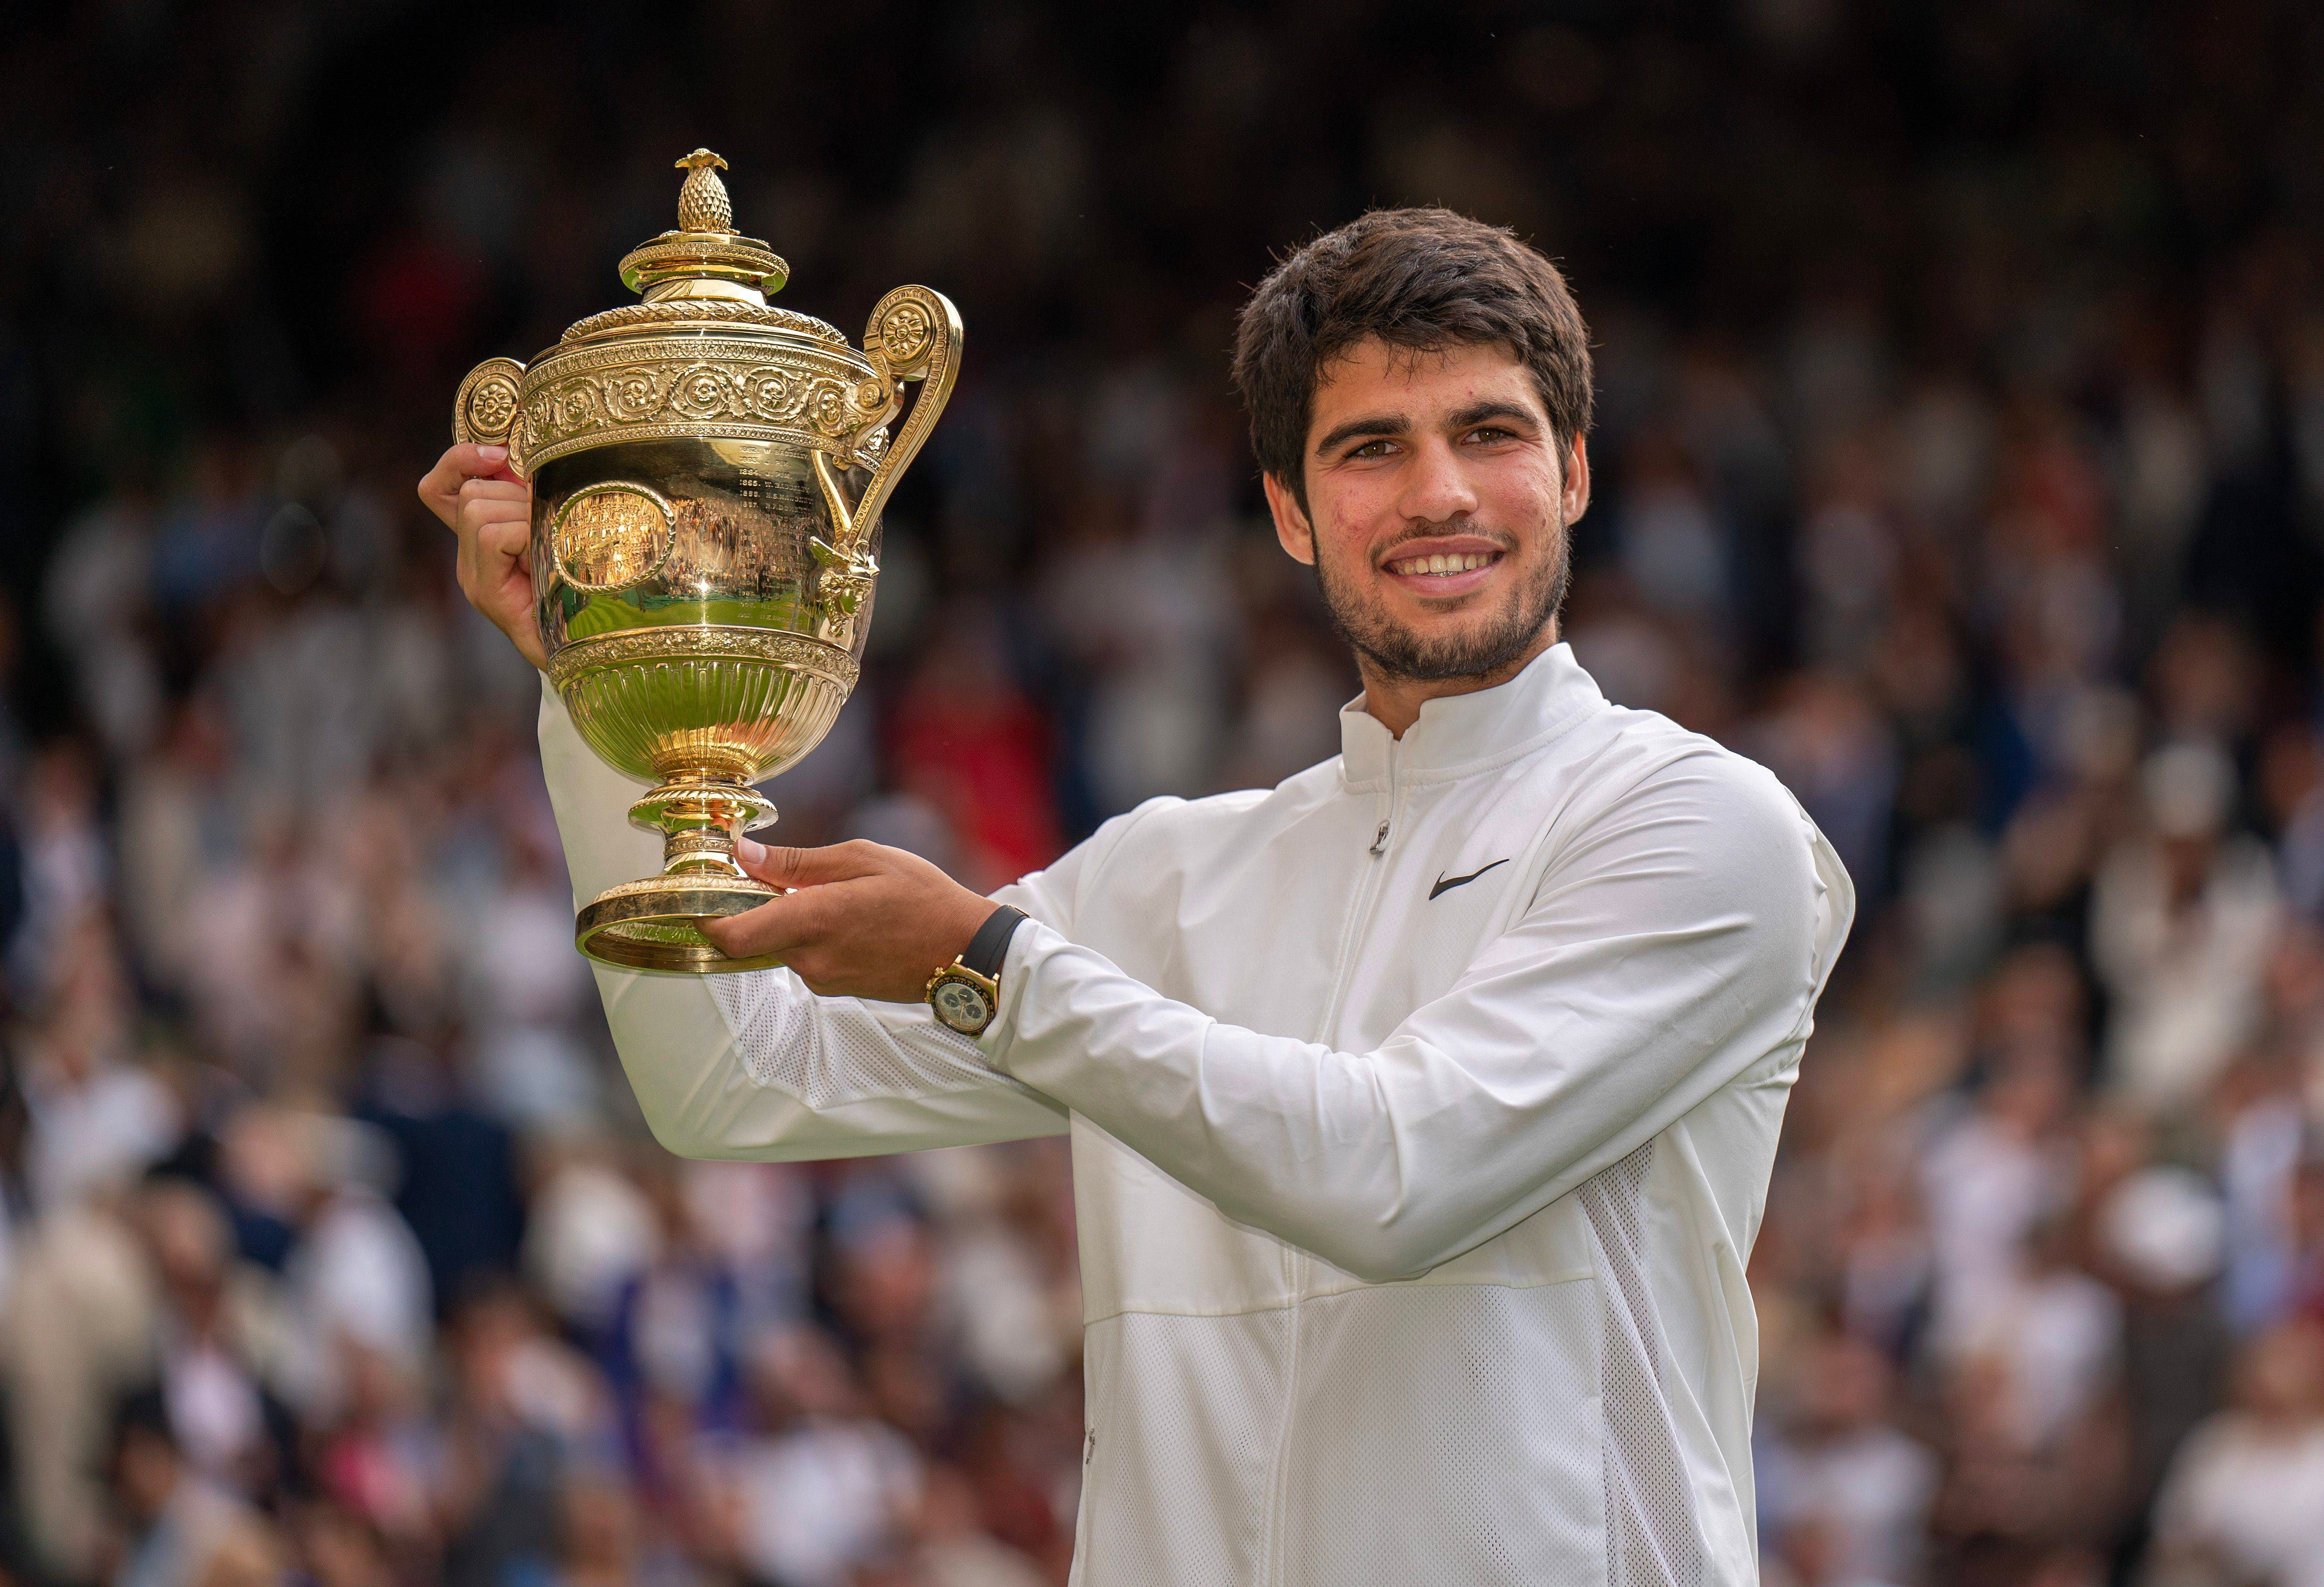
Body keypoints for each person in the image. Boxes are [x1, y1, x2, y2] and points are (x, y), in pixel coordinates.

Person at [421, 207, 1855, 1586]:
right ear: (1289, 512)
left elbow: (1400, 1176)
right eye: (1370, 448)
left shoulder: (1699, 827)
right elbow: (733, 1082)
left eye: (1489, 434)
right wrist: (598, 678)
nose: (1438, 493)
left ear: (1575, 472)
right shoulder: (1167, 873)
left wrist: (992, 967)